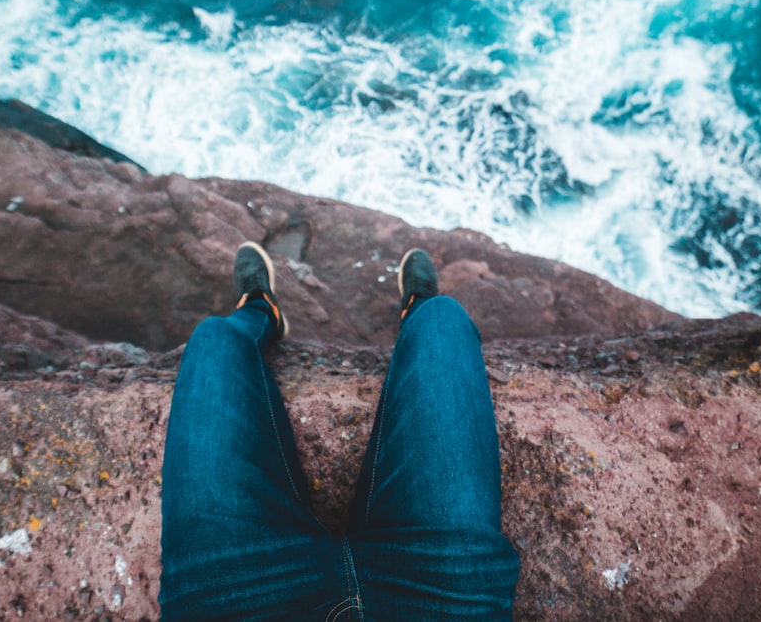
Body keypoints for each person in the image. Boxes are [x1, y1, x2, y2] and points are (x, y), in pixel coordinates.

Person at [159, 242, 520, 621]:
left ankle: (258, 307)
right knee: (442, 321)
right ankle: (417, 306)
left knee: (213, 339)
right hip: (439, 602)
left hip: (237, 603)